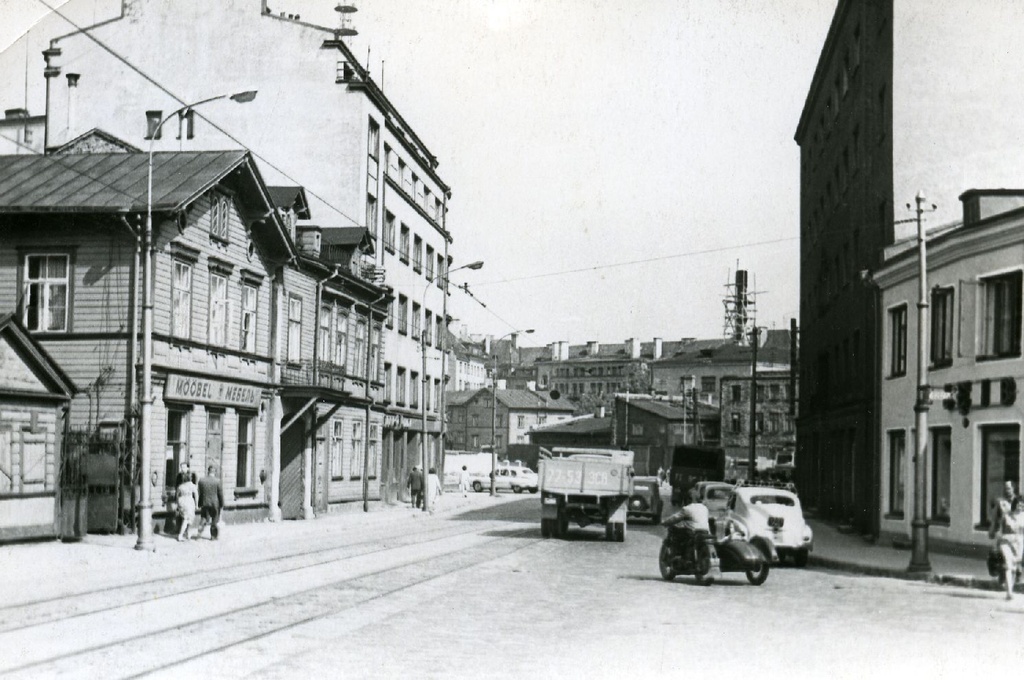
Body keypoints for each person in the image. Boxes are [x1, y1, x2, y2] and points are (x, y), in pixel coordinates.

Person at [989, 480, 1024, 600]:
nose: (1006, 490)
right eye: (1005, 488)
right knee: (1007, 562)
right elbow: (995, 518)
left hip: (1018, 539)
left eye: (1009, 488)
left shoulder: (1020, 502)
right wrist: (992, 531)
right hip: (1005, 536)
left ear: (1014, 489)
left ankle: (1011, 581)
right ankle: (1008, 589)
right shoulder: (1001, 503)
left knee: (1015, 565)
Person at [662, 495, 711, 565]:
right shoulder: (704, 508)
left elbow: (675, 518)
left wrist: (665, 522)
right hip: (705, 531)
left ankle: (677, 554)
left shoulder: (687, 509)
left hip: (693, 532)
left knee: (675, 531)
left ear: (688, 500)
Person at [195, 465, 224, 540]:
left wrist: (199, 503)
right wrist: (222, 504)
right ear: (215, 472)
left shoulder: (201, 480)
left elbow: (199, 492)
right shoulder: (217, 481)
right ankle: (213, 536)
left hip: (204, 503)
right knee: (214, 519)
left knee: (203, 518)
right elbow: (220, 494)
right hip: (215, 504)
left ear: (208, 471)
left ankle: (199, 534)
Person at [175, 472, 198, 542]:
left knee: (186, 518)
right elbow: (196, 495)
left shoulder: (180, 486)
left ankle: (187, 533)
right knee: (187, 519)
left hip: (181, 501)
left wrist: (178, 504)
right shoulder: (192, 486)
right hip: (189, 501)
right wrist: (196, 504)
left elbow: (177, 495)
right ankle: (180, 535)